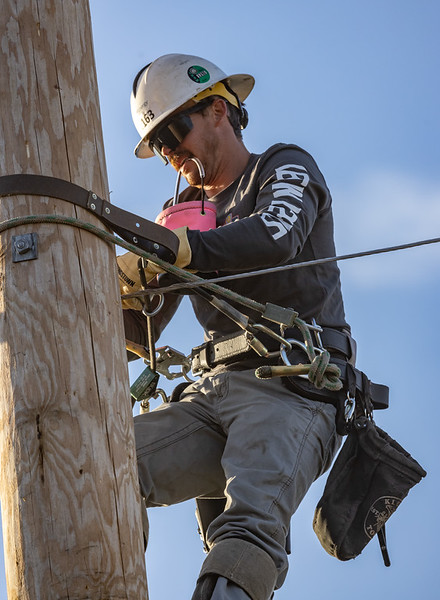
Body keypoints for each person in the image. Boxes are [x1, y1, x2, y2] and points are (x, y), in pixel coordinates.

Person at [119, 53, 355, 600]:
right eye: (159, 146)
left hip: (292, 389)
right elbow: (142, 328)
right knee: (100, 464)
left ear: (219, 111)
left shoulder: (283, 167)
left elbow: (275, 238)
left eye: (175, 132)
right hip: (210, 396)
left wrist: (180, 248)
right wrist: (113, 290)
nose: (171, 153)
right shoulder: (179, 212)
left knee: (247, 531)